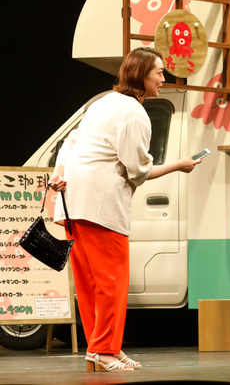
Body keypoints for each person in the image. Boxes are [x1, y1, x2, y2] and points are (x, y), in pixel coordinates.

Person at [49, 47, 202, 371]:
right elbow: (138, 171)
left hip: (74, 202)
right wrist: (179, 165)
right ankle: (103, 351)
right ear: (141, 76)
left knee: (90, 283)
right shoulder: (134, 113)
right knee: (112, 282)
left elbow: (70, 141)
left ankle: (102, 349)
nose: (163, 78)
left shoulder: (103, 102)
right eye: (158, 72)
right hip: (100, 205)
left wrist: (59, 172)